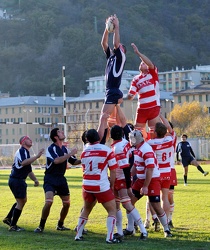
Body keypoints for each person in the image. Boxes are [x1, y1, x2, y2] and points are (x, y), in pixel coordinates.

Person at [74, 129, 120, 244]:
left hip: (87, 184)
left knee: (86, 209)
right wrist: (112, 185)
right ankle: (109, 237)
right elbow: (113, 170)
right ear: (99, 138)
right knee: (112, 210)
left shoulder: (84, 152)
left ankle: (78, 235)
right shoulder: (106, 150)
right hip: (100, 185)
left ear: (87, 139)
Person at [128, 129, 172, 238]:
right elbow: (136, 165)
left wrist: (146, 186)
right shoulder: (137, 148)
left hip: (151, 180)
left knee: (156, 205)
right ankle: (130, 228)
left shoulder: (145, 149)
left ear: (134, 139)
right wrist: (129, 176)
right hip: (141, 179)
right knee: (129, 203)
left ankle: (166, 229)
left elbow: (150, 169)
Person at [34, 128, 78, 233]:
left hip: (61, 179)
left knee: (67, 204)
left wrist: (87, 158)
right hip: (50, 178)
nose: (62, 132)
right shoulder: (51, 149)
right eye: (60, 132)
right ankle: (41, 226)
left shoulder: (65, 149)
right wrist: (70, 154)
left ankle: (60, 225)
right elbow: (57, 161)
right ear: (55, 137)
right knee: (49, 202)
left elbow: (74, 161)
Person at [110, 125, 147, 240]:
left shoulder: (118, 148)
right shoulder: (125, 142)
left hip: (121, 178)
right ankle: (120, 231)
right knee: (117, 206)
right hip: (119, 177)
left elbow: (125, 168)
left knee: (127, 204)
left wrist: (128, 186)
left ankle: (143, 230)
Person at [3, 136, 44, 231]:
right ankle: (13, 226)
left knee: (21, 201)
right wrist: (37, 156)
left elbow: (28, 170)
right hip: (17, 180)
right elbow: (23, 163)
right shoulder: (22, 151)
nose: (31, 140)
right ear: (24, 142)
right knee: (21, 202)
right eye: (28, 139)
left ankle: (8, 219)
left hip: (17, 180)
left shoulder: (26, 152)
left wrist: (35, 180)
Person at [98, 14, 126, 141]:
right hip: (110, 90)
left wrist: (117, 27)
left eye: (120, 47)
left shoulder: (121, 57)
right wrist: (107, 28)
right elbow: (103, 43)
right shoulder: (111, 56)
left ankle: (100, 143)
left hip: (113, 90)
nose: (117, 47)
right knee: (107, 119)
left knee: (103, 117)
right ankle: (105, 141)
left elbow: (115, 43)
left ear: (122, 50)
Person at [127, 43, 161, 140]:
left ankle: (152, 148)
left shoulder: (152, 74)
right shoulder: (136, 79)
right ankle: (139, 149)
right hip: (141, 109)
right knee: (137, 132)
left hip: (153, 107)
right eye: (141, 63)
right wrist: (128, 96)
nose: (143, 63)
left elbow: (150, 64)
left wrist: (138, 53)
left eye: (144, 62)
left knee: (154, 131)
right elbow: (131, 94)